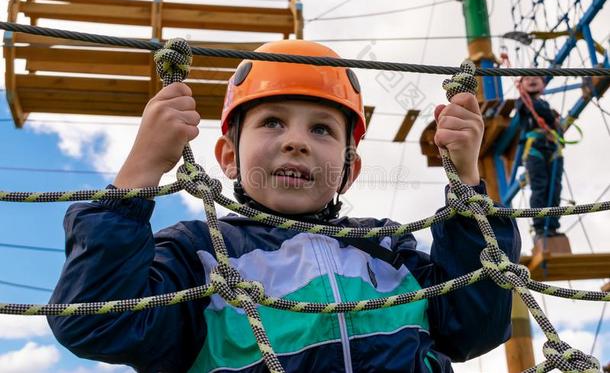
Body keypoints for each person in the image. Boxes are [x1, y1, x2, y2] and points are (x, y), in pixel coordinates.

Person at [48, 40, 521, 372]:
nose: (296, 141)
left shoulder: (385, 247)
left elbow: (474, 325)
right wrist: (141, 170)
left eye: (322, 130)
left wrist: (468, 186)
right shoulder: (199, 257)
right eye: (273, 122)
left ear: (349, 169)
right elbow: (95, 321)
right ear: (229, 158)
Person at [516, 75, 564, 237]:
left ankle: (551, 226)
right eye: (527, 78)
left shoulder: (545, 105)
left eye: (536, 77)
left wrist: (555, 125)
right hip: (535, 149)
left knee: (555, 187)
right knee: (540, 186)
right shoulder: (522, 102)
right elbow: (539, 110)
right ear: (521, 86)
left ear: (543, 86)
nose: (532, 80)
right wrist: (552, 117)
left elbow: (556, 125)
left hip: (552, 149)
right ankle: (540, 226)